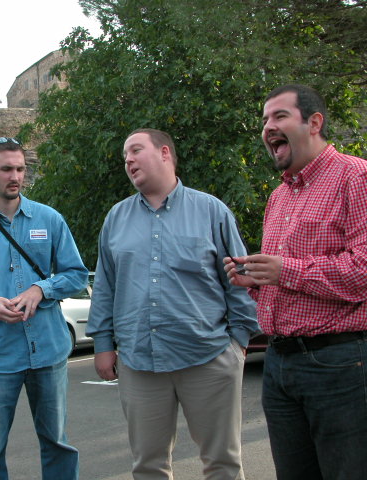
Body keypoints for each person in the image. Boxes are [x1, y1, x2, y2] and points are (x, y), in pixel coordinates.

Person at [87, 128, 258, 480]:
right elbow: (105, 286)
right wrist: (103, 344)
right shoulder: (116, 218)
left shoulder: (211, 210)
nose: (128, 160)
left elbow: (239, 280)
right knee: (148, 467)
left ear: (165, 153)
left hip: (208, 357)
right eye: (125, 156)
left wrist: (239, 342)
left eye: (136, 150)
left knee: (223, 463)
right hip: (139, 362)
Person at [224, 84, 367, 479]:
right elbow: (286, 280)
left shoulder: (356, 177)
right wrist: (255, 281)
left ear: (314, 122)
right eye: (264, 119)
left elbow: (362, 272)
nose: (268, 127)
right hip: (279, 363)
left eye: (280, 116)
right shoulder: (279, 197)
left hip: (339, 363)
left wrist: (285, 270)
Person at [0, 137, 88, 479]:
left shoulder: (49, 219)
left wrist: (42, 288)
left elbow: (77, 275)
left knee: (57, 442)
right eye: (7, 169)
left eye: (21, 169)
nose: (16, 177)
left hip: (48, 351)